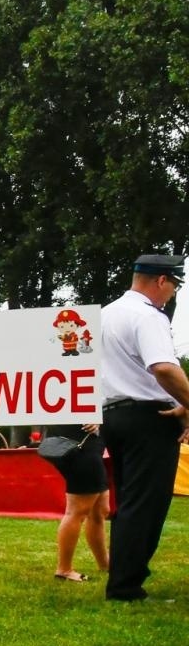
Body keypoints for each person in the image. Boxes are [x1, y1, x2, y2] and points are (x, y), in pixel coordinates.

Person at [98, 253, 189, 601]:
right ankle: (126, 585)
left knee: (129, 501)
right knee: (146, 504)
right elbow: (164, 368)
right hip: (148, 417)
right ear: (162, 281)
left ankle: (123, 578)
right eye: (175, 286)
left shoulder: (106, 314)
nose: (173, 294)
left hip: (113, 414)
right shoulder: (149, 316)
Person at [39, 424, 109, 582]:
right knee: (77, 511)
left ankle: (105, 564)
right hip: (80, 447)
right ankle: (64, 569)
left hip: (87, 446)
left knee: (100, 509)